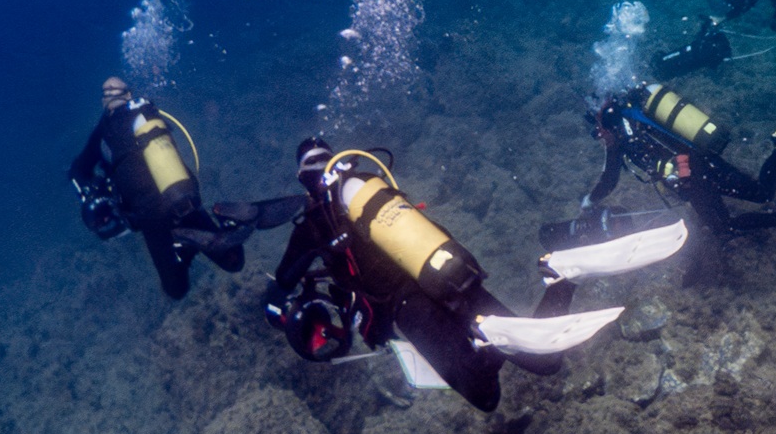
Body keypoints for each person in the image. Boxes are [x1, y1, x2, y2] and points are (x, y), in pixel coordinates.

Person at [264, 139, 620, 412]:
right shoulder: (368, 185)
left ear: (302, 178)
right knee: (544, 361)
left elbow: (282, 281)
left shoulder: (314, 224)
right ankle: (563, 273)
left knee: (484, 394)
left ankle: (484, 340)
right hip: (448, 272)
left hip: (409, 305)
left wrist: (279, 308)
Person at [584, 80, 776, 286]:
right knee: (761, 192)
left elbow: (609, 179)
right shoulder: (638, 114)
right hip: (703, 157)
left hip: (694, 177)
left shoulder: (622, 137)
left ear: (602, 122)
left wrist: (588, 202)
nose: (600, 138)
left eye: (597, 132)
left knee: (724, 226)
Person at [68, 77, 299, 300]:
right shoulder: (147, 112)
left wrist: (89, 190)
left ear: (104, 102)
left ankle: (185, 245)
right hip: (182, 195)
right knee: (233, 260)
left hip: (150, 213)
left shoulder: (103, 130)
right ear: (128, 94)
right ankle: (228, 217)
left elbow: (78, 170)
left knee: (175, 289)